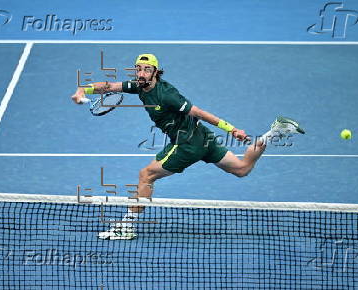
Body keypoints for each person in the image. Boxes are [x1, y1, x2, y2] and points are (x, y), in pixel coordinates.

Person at [71, 54, 304, 240]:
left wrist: (231, 129)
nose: (141, 73)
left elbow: (199, 112)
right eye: (138, 69)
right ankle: (274, 132)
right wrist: (84, 90)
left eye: (146, 69)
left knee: (146, 175)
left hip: (187, 144)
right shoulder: (139, 86)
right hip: (201, 137)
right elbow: (110, 86)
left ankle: (128, 227)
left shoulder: (167, 95)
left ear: (155, 72)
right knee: (241, 168)